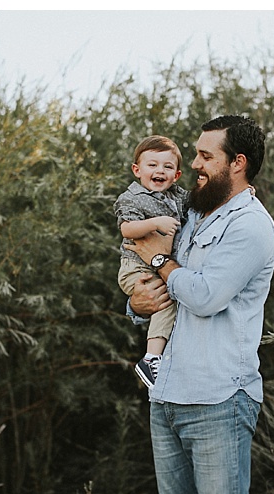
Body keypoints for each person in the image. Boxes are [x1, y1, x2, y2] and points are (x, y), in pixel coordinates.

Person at [125, 115, 274, 494]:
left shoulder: (251, 226)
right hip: (165, 395)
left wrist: (161, 261)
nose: (193, 164)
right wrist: (137, 304)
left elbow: (206, 297)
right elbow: (156, 278)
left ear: (236, 163)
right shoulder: (190, 214)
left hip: (218, 402)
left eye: (205, 156)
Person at [114, 135, 188, 388]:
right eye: (152, 165)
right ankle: (151, 357)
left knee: (169, 299)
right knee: (165, 300)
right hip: (135, 268)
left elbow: (202, 202)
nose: (160, 171)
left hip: (156, 267)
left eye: (167, 167)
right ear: (137, 170)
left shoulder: (177, 196)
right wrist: (155, 224)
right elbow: (127, 228)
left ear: (176, 175)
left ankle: (154, 356)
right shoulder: (131, 198)